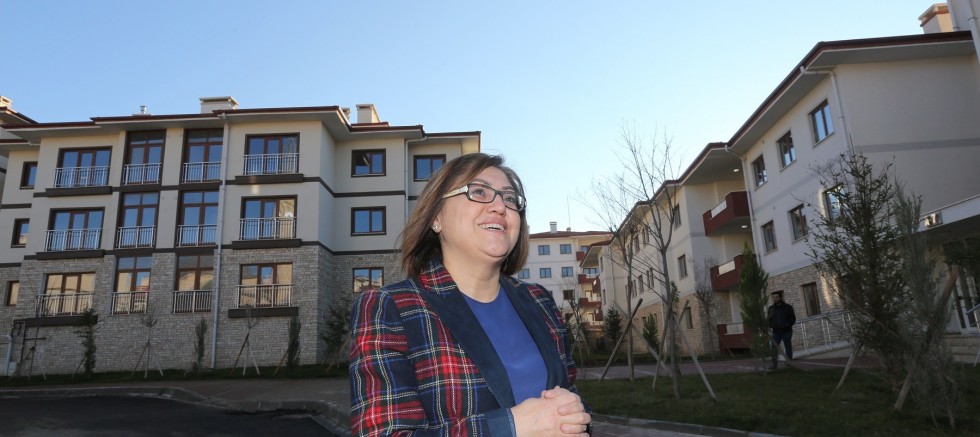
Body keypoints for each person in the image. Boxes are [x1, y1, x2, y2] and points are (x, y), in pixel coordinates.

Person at [349, 153, 592, 436]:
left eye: (510, 198)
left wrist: (576, 416)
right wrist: (510, 427)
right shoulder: (390, 307)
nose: (500, 206)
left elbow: (570, 397)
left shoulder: (540, 301)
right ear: (436, 217)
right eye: (479, 192)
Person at [767, 290, 796, 370]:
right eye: (773, 297)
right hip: (776, 332)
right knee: (774, 347)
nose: (775, 299)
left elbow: (793, 319)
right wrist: (772, 325)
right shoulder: (771, 308)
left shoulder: (788, 307)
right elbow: (768, 320)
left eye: (777, 297)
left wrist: (787, 325)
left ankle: (788, 362)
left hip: (787, 331)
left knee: (788, 346)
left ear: (780, 297)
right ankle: (774, 364)